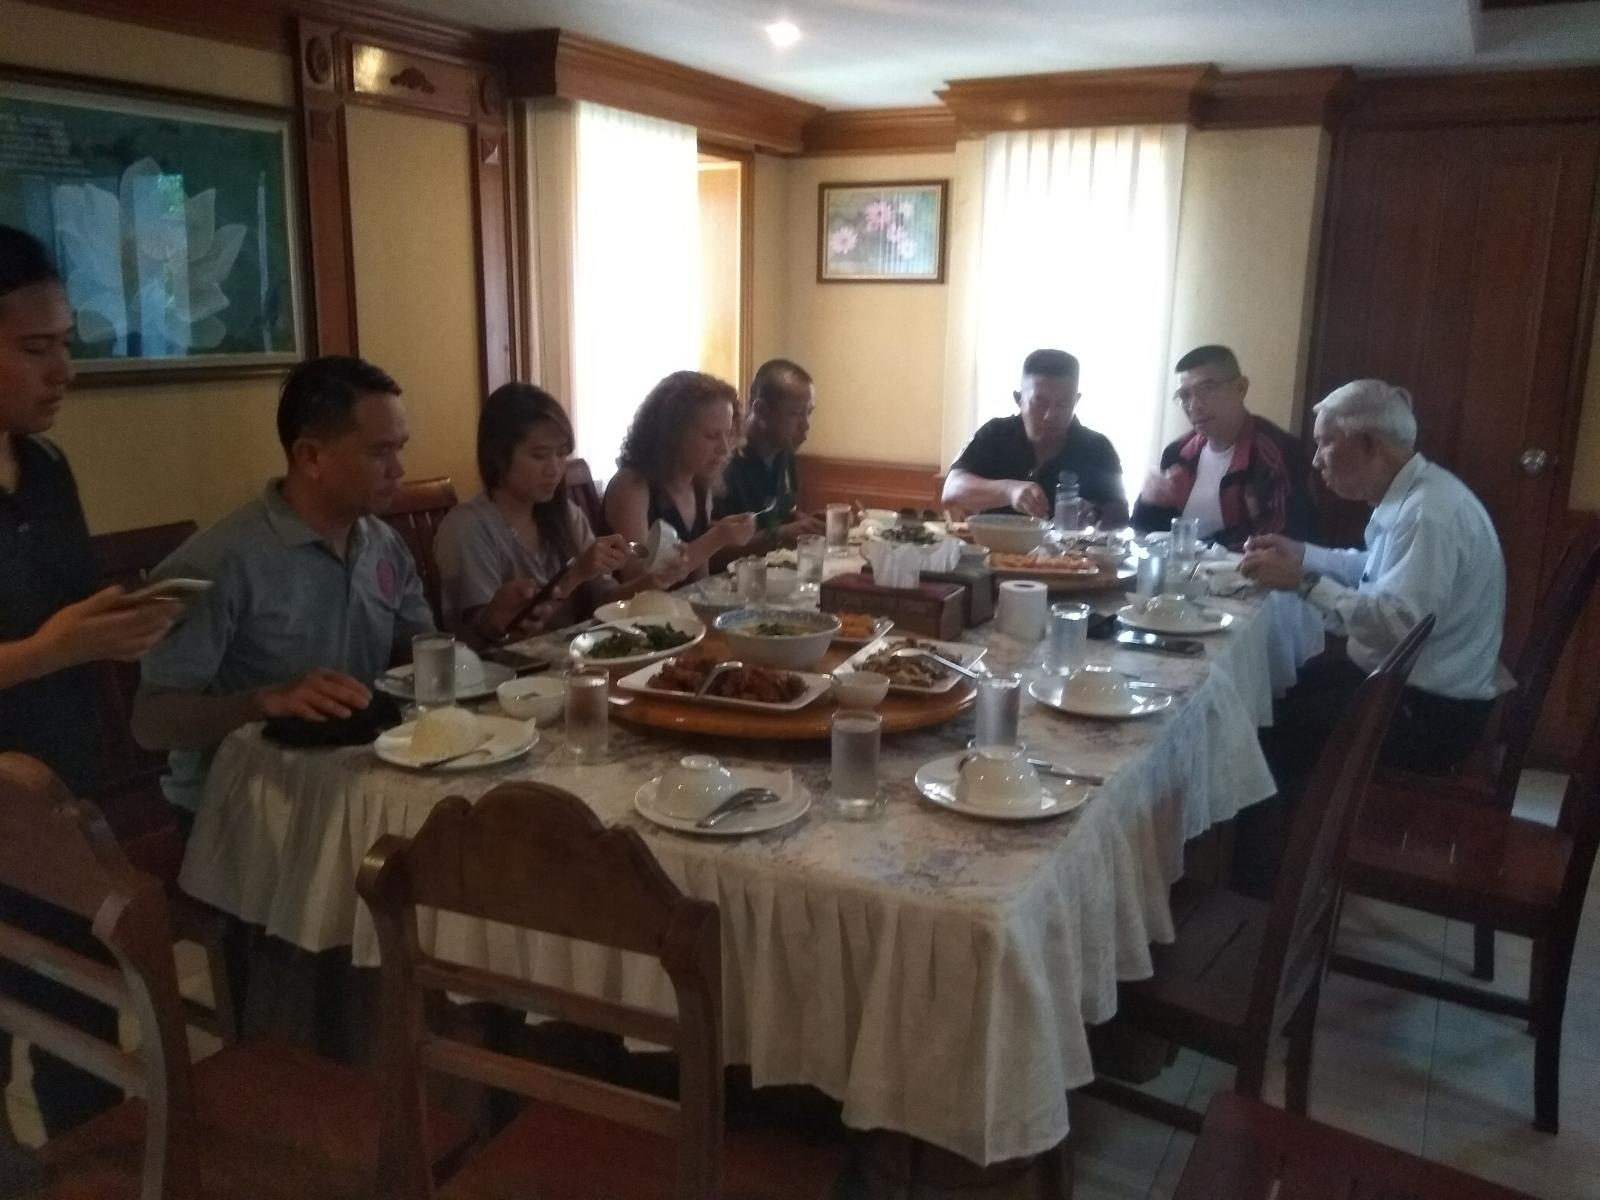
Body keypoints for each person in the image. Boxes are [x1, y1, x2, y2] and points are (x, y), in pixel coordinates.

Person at [0, 225, 178, 1138]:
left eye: (66, 343)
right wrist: (48, 650)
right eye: (37, 349)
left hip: (61, 796)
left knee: (81, 1033)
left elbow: (66, 612)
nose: (63, 370)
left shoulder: (44, 467)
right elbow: (44, 641)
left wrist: (120, 625)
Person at [1234, 379, 1507, 894]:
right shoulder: (1417, 493)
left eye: (1325, 442)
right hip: (1405, 686)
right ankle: (1277, 863)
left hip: (1432, 714)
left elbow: (1397, 624)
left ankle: (1265, 896)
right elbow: (1375, 572)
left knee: (1269, 734)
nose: (1316, 459)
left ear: (1368, 445)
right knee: (1271, 696)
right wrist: (1303, 553)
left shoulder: (1428, 514)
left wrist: (1304, 582)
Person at [131, 356, 435, 815]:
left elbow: (422, 651)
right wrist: (265, 700)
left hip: (356, 777)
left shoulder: (383, 544)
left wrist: (484, 631)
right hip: (243, 802)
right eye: (380, 452)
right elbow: (152, 722)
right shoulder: (216, 563)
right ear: (310, 456)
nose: (399, 469)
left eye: (400, 448)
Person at [434, 383, 683, 646]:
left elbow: (606, 600)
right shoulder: (469, 527)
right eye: (539, 455)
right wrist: (575, 574)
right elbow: (495, 637)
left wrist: (654, 580)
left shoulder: (566, 515)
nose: (554, 469)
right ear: (497, 456)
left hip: (575, 656)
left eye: (562, 454)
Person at [1131, 345, 1315, 549]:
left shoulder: (1277, 453)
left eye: (1207, 389)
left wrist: (1200, 547)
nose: (1194, 406)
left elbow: (1281, 539)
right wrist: (1147, 502)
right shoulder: (1178, 452)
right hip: (1180, 567)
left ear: (1241, 388)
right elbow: (1144, 536)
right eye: (1184, 396)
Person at [942, 348, 1129, 526]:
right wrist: (1009, 491)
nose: (1050, 415)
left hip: (1070, 548)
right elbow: (951, 490)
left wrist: (1095, 515)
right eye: (1039, 403)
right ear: (1019, 399)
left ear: (1076, 401)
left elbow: (1121, 516)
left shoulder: (1098, 448)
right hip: (995, 546)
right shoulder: (995, 434)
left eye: (1063, 404)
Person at [602, 370, 756, 582]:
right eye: (711, 435)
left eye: (728, 433)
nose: (724, 448)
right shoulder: (632, 486)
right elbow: (636, 576)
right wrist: (717, 537)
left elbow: (699, 581)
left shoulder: (700, 484)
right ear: (673, 435)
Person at [714, 358, 825, 548]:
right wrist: (780, 534)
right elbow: (712, 549)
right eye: (795, 414)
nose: (806, 425)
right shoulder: (722, 460)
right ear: (762, 411)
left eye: (809, 413)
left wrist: (805, 522)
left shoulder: (784, 451)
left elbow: (773, 514)